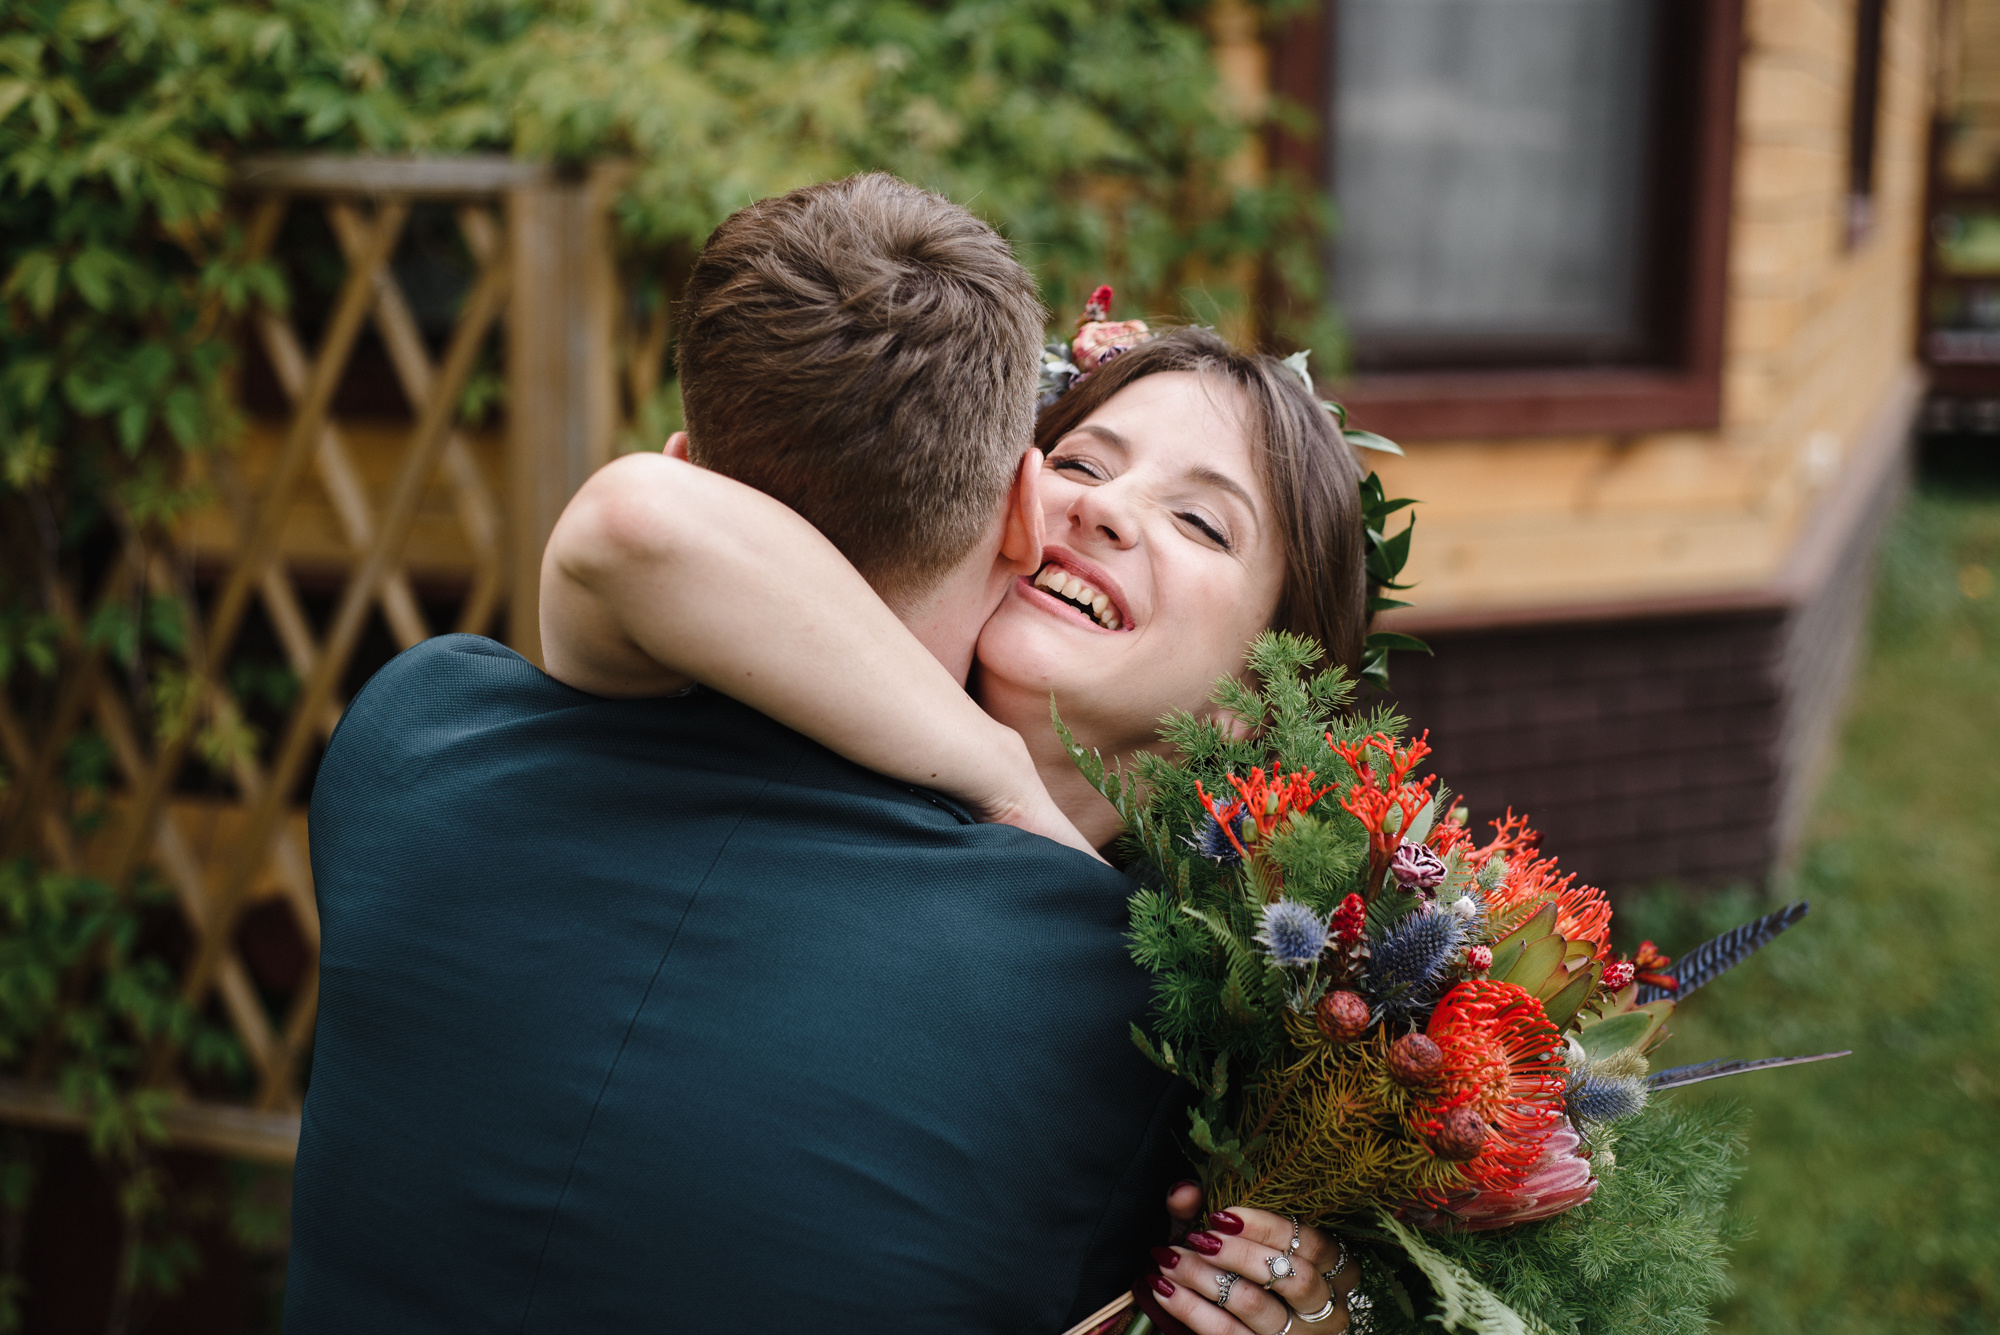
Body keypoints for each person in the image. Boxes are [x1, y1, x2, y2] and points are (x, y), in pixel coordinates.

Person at [286, 174, 1188, 1334]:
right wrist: (1001, 775)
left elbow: (637, 527)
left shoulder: (416, 738)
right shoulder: (1114, 995)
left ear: (686, 453)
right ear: (1023, 512)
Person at [543, 317, 1378, 1333]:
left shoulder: (1202, 1049)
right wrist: (1000, 784)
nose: (1101, 508)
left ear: (1264, 693)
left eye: (1201, 523)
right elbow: (638, 516)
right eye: (1075, 461)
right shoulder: (718, 762)